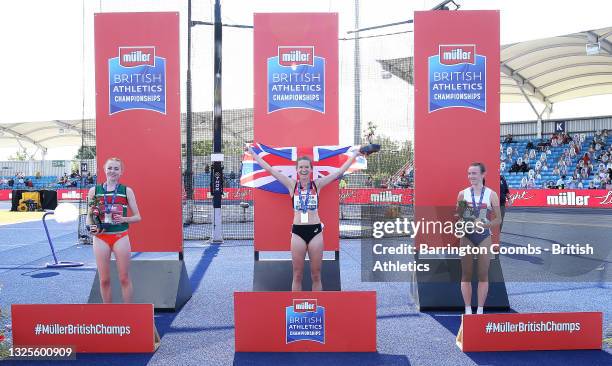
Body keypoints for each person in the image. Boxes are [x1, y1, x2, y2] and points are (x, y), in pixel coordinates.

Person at [246, 144, 362, 291]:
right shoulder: (291, 185)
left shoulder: (317, 184)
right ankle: (297, 310)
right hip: (298, 233)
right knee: (297, 274)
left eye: (307, 167)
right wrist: (253, 154)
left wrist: (355, 155)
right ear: (297, 170)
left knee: (316, 275)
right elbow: (270, 170)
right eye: (301, 167)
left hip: (315, 232)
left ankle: (316, 307)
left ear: (311, 169)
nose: (304, 169)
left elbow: (339, 171)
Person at [87, 157, 141, 303]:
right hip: (101, 238)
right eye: (110, 168)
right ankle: (109, 314)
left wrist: (124, 219)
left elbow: (138, 217)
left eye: (116, 168)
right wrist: (91, 228)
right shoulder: (94, 191)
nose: (112, 171)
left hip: (120, 236)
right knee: (104, 279)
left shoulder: (126, 191)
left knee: (124, 277)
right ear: (104, 169)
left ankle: (127, 313)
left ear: (121, 172)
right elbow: (89, 216)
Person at [456, 163, 502, 315]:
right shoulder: (463, 194)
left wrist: (484, 225)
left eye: (474, 173)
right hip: (467, 237)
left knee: (483, 274)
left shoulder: (491, 194)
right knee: (466, 274)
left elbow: (498, 220)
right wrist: (463, 224)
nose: (471, 176)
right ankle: (468, 309)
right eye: (469, 173)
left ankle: (480, 310)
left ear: (483, 174)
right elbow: (459, 217)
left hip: (484, 237)